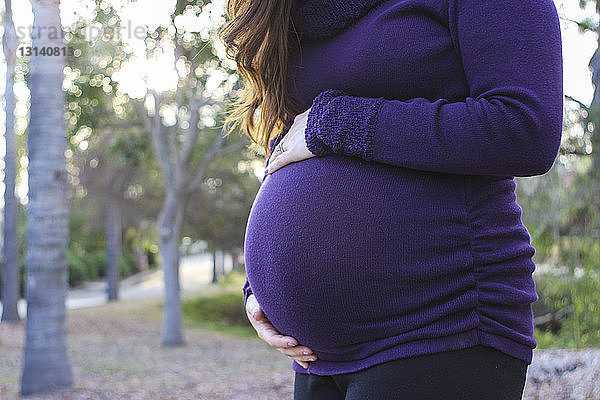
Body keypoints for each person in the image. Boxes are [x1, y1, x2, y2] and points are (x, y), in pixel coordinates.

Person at [218, 0, 563, 398]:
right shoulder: (294, 9)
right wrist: (260, 288)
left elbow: (523, 128)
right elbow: (291, 142)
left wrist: (338, 122)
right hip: (316, 356)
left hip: (439, 325)